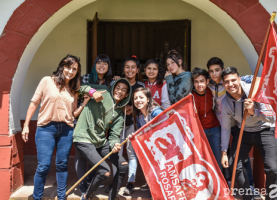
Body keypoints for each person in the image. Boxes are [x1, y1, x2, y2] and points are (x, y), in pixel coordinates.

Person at [21, 55, 82, 200]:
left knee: (62, 165)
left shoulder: (74, 88)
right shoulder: (47, 81)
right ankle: (37, 197)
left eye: (74, 69)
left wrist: (84, 104)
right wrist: (26, 126)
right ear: (62, 66)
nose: (71, 71)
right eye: (68, 67)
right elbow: (34, 103)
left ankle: (61, 197)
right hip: (45, 128)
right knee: (43, 166)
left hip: (66, 130)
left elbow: (72, 113)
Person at [220, 67, 277, 200]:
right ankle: (249, 197)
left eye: (233, 80)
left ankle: (271, 198)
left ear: (239, 79)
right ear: (223, 84)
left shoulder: (255, 91)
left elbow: (272, 117)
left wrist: (253, 112)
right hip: (244, 131)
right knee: (234, 164)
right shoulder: (225, 102)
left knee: (273, 168)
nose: (230, 84)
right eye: (227, 82)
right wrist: (224, 152)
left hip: (265, 130)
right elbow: (226, 128)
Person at [206, 57, 258, 195]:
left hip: (235, 124)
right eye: (211, 71)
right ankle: (229, 182)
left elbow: (253, 79)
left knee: (241, 155)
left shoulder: (230, 82)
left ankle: (250, 184)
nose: (214, 74)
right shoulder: (208, 85)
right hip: (220, 124)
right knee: (225, 154)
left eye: (217, 70)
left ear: (222, 70)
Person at [73, 78, 131, 200]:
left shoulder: (120, 113)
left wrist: (115, 144)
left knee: (123, 165)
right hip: (83, 137)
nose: (119, 91)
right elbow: (80, 86)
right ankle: (86, 196)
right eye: (118, 87)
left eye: (123, 90)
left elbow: (114, 135)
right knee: (104, 171)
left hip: (100, 141)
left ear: (127, 94)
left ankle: (112, 197)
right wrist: (92, 92)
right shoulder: (103, 90)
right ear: (113, 87)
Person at [75, 54, 113, 194]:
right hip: (83, 120)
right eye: (99, 63)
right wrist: (92, 92)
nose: (101, 66)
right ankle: (82, 184)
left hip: (99, 124)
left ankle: (91, 178)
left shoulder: (110, 82)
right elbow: (79, 89)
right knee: (81, 155)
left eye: (105, 64)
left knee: (95, 153)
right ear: (94, 65)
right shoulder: (86, 78)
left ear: (108, 67)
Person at [110, 55, 145, 195]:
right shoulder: (117, 83)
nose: (130, 70)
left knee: (131, 154)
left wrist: (132, 110)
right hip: (116, 125)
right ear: (123, 69)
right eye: (127, 67)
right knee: (115, 153)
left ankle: (130, 183)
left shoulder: (140, 86)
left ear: (137, 70)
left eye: (133, 67)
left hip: (132, 124)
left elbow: (143, 104)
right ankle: (115, 182)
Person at [132, 87, 163, 191]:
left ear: (148, 99)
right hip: (152, 146)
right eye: (135, 98)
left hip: (163, 146)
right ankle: (152, 185)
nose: (138, 100)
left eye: (141, 97)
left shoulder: (156, 112)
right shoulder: (139, 115)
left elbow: (166, 128)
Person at [191, 68, 222, 171]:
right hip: (200, 131)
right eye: (196, 82)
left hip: (214, 128)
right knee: (202, 159)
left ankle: (221, 183)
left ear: (207, 81)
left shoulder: (210, 90)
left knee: (217, 157)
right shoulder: (191, 97)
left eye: (202, 81)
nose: (199, 84)